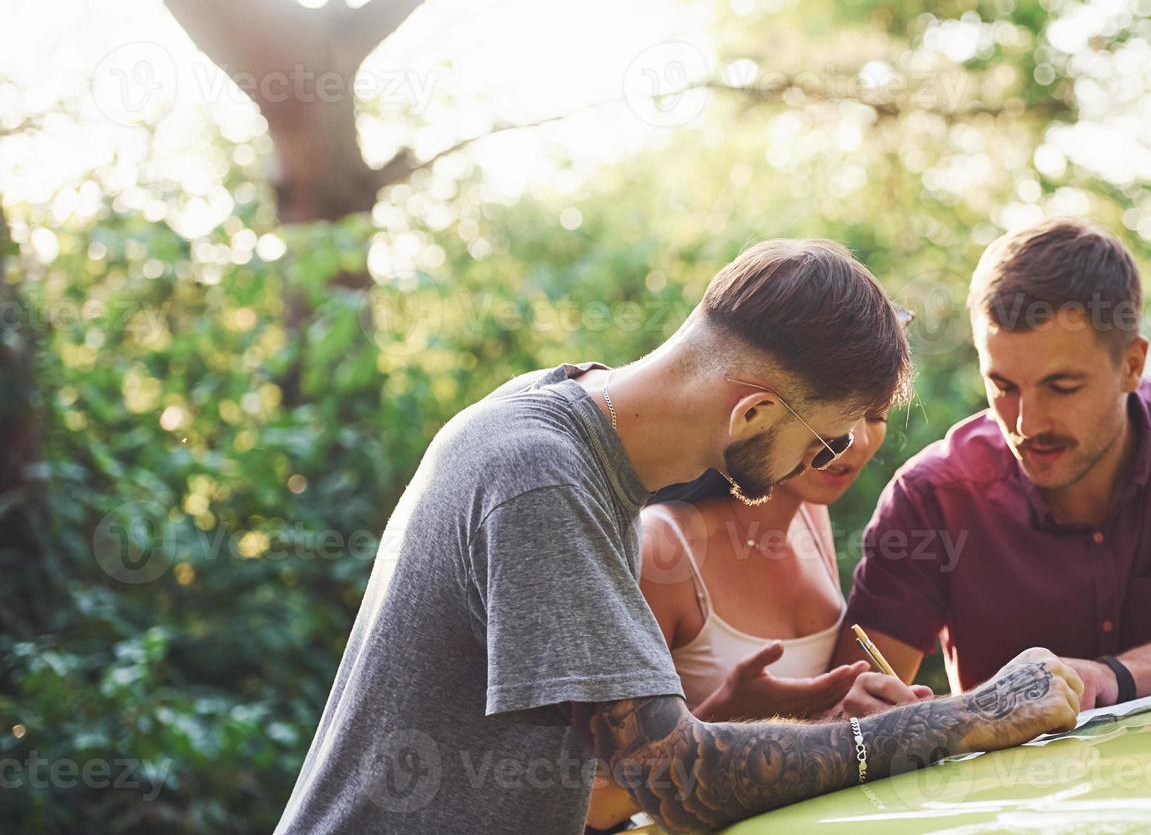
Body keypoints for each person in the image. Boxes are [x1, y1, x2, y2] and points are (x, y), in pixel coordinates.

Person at [274, 238, 1083, 835]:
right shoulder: (541, 477)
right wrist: (959, 718)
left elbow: (611, 770)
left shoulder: (564, 419)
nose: (824, 464)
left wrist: (737, 716)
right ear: (756, 412)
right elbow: (679, 782)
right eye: (825, 440)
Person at [834, 218, 1151, 712]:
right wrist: (879, 715)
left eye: (1062, 387)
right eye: (1004, 387)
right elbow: (854, 715)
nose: (1027, 422)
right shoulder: (933, 498)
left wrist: (1114, 677)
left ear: (1132, 366)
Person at [587, 378, 932, 831]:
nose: (858, 441)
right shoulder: (663, 549)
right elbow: (593, 799)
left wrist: (843, 706)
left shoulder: (810, 513)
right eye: (839, 409)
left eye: (876, 416)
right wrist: (723, 718)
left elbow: (798, 721)